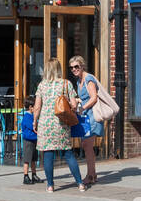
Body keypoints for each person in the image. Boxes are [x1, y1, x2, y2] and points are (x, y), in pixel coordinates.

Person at [32, 59, 84, 193]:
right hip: (61, 123)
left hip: (45, 124)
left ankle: (50, 185)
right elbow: (74, 105)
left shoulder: (42, 85)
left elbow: (37, 107)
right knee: (68, 153)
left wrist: (35, 121)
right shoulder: (66, 84)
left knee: (48, 154)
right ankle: (80, 183)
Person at [69, 56, 102, 187]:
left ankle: (90, 175)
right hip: (86, 117)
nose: (74, 69)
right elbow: (85, 97)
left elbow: (94, 98)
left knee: (87, 145)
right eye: (71, 67)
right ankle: (92, 174)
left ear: (82, 66)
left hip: (92, 116)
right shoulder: (79, 81)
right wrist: (77, 101)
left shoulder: (88, 79)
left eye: (76, 66)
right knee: (87, 146)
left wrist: (83, 107)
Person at [20, 101, 40, 185]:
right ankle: (25, 176)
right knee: (27, 159)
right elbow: (33, 127)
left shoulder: (32, 116)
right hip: (28, 140)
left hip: (34, 139)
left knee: (33, 159)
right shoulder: (27, 117)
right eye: (35, 106)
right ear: (31, 107)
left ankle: (34, 174)